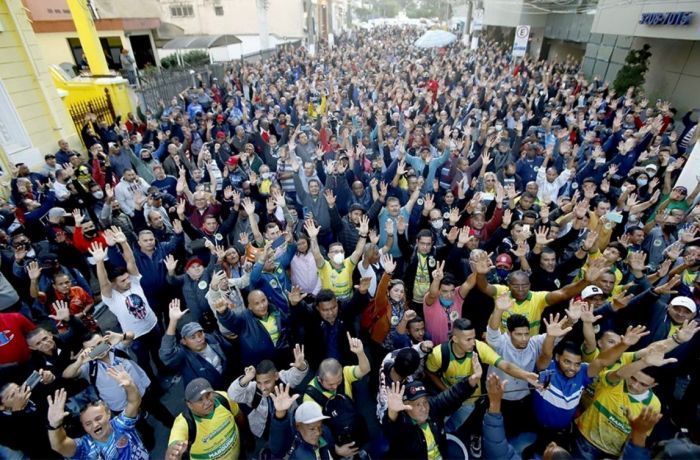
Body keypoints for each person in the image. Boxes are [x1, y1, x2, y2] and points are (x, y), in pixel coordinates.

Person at [46, 368, 148, 459]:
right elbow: (59, 445)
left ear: (108, 414)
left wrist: (130, 386)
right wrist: (54, 425)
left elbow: (134, 402)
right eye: (88, 423)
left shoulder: (120, 425)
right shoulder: (84, 447)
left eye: (98, 418)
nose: (95, 425)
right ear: (83, 427)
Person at [159, 299, 234, 389]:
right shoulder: (184, 357)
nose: (199, 339)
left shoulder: (213, 339)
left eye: (200, 334)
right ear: (183, 341)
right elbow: (166, 354)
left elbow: (231, 352)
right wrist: (173, 321)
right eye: (192, 337)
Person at [166, 377, 246, 460]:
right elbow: (174, 445)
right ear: (189, 405)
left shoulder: (224, 398)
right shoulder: (184, 423)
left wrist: (246, 437)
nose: (207, 402)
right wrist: (173, 452)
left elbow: (239, 415)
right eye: (200, 400)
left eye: (208, 395)